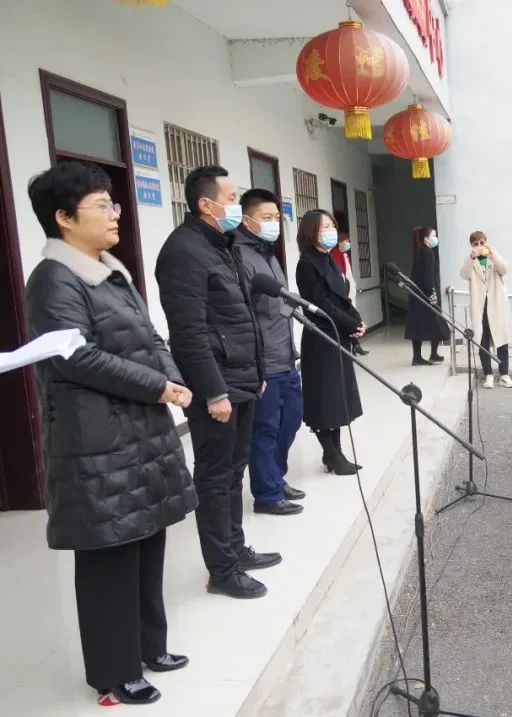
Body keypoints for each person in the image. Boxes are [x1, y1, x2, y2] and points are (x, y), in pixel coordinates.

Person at [25, 162, 197, 706]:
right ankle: (114, 672)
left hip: (140, 429)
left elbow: (149, 337)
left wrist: (172, 377)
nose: (114, 213)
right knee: (110, 554)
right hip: (95, 441)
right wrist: (158, 386)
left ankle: (150, 647)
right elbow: (78, 358)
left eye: (113, 203)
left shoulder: (109, 270)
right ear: (63, 217)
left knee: (147, 538)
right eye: (102, 205)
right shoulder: (54, 278)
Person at [156, 165, 279, 600]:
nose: (236, 204)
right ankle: (222, 570)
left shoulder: (222, 245)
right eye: (230, 197)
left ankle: (235, 549)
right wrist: (214, 391)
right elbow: (188, 332)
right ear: (206, 204)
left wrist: (258, 373)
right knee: (214, 475)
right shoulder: (184, 251)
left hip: (242, 378)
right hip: (218, 385)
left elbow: (242, 316)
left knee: (234, 471)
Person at [234, 189, 305, 516]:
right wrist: (255, 365)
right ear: (247, 220)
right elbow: (244, 314)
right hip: (265, 361)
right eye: (267, 217)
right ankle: (267, 493)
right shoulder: (239, 256)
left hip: (286, 356)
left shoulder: (269, 254)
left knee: (291, 419)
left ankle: (276, 476)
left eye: (277, 217)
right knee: (265, 429)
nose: (274, 223)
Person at [295, 210, 365, 475]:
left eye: (332, 226)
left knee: (337, 399)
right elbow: (321, 303)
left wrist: (356, 321)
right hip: (321, 338)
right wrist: (350, 324)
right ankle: (332, 455)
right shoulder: (307, 264)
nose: (331, 231)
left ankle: (335, 453)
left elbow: (342, 298)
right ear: (311, 231)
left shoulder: (329, 259)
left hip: (338, 335)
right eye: (325, 226)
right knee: (325, 400)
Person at [460, 230, 512, 388]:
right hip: (480, 307)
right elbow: (464, 274)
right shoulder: (471, 261)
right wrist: (471, 257)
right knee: (482, 342)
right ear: (471, 245)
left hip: (496, 305)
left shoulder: (493, 257)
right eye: (475, 244)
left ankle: (504, 375)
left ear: (486, 242)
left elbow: (504, 269)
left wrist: (492, 254)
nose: (479, 246)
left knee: (501, 340)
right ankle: (488, 375)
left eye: (482, 242)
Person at [405, 225, 449, 366]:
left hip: (418, 294)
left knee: (417, 325)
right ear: (426, 239)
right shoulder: (428, 252)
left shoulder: (421, 251)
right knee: (437, 324)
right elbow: (429, 276)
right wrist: (432, 294)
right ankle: (432, 354)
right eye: (433, 236)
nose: (436, 239)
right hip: (427, 294)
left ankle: (418, 356)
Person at [329, 230, 368, 355]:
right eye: (346, 241)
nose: (348, 244)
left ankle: (355, 345)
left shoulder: (345, 255)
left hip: (350, 291)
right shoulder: (334, 254)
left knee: (352, 316)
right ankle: (356, 345)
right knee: (349, 318)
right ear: (340, 241)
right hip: (343, 293)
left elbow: (349, 274)